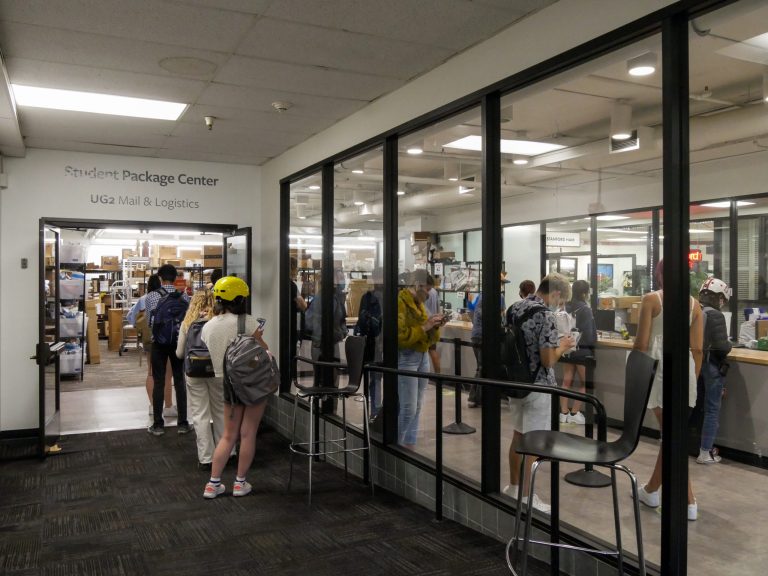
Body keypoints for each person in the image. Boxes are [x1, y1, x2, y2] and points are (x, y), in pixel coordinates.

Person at [633, 260, 703, 521]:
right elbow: (697, 350)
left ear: (659, 274)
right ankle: (651, 490)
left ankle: (689, 500)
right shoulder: (695, 305)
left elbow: (641, 343)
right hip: (685, 373)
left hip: (658, 370)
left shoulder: (652, 299)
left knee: (671, 437)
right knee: (672, 436)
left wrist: (636, 376)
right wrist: (691, 380)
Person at [504, 273, 575, 513]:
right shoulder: (545, 315)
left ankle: (514, 487)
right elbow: (547, 361)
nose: (560, 305)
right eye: (561, 300)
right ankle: (527, 496)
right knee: (532, 444)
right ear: (555, 294)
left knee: (517, 436)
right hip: (538, 386)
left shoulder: (515, 307)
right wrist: (563, 346)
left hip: (516, 383)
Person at [201, 276, 269, 498]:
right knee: (248, 434)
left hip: (227, 385)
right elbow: (264, 351)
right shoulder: (248, 322)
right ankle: (240, 483)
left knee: (228, 435)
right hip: (252, 384)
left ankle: (213, 484)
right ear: (240, 298)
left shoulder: (208, 327)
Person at [176, 289, 224, 469]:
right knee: (220, 412)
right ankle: (227, 452)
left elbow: (180, 353)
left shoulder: (187, 323)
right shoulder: (218, 323)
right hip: (217, 371)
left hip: (194, 372)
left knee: (200, 415)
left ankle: (206, 459)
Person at [398, 269, 444, 448]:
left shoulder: (419, 304)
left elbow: (428, 335)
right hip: (406, 356)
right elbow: (400, 336)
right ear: (417, 285)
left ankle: (410, 442)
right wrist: (425, 327)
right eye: (427, 289)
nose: (429, 293)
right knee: (408, 407)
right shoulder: (401, 302)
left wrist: (434, 325)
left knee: (417, 405)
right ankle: (396, 443)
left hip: (422, 355)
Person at [146, 264, 192, 436]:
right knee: (180, 381)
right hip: (178, 342)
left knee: (159, 381)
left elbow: (150, 322)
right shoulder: (184, 296)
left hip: (158, 343)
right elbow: (187, 320)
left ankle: (158, 425)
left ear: (160, 278)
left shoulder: (151, 296)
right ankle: (183, 424)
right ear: (175, 278)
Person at [127, 274, 174, 419]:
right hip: (168, 338)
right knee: (167, 374)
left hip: (150, 339)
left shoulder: (144, 299)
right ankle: (168, 407)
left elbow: (131, 318)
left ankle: (153, 407)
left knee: (151, 372)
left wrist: (141, 326)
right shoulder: (168, 296)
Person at [695, 277, 732, 465]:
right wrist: (730, 344)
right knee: (712, 409)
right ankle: (705, 452)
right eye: (722, 299)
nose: (722, 303)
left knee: (698, 405)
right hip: (712, 367)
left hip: (696, 364)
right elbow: (722, 347)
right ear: (718, 297)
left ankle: (696, 446)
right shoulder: (716, 315)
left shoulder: (694, 310)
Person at [468, 273, 510, 407]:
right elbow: (502, 316)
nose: (502, 286)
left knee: (480, 367)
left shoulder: (481, 295)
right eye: (501, 283)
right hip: (486, 336)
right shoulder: (499, 296)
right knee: (484, 367)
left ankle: (475, 398)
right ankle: (477, 399)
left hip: (475, 334)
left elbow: (471, 310)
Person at [559, 279, 597, 424]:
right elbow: (588, 334)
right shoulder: (585, 309)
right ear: (584, 293)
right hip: (582, 350)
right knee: (585, 382)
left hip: (568, 348)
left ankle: (563, 413)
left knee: (567, 381)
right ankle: (575, 413)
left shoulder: (566, 306)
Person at [354, 271, 383, 419]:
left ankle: (376, 412)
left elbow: (362, 321)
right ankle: (377, 412)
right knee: (377, 378)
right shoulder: (370, 297)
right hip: (378, 342)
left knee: (376, 379)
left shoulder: (368, 297)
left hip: (376, 342)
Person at [289, 257, 307, 380]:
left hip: (284, 327)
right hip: (291, 328)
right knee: (291, 358)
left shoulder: (280, 283)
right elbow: (303, 305)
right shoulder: (291, 285)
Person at [424, 274, 442, 378]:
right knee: (432, 350)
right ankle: (437, 375)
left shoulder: (422, 292)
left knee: (426, 351)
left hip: (427, 322)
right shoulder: (435, 292)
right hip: (434, 322)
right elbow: (438, 308)